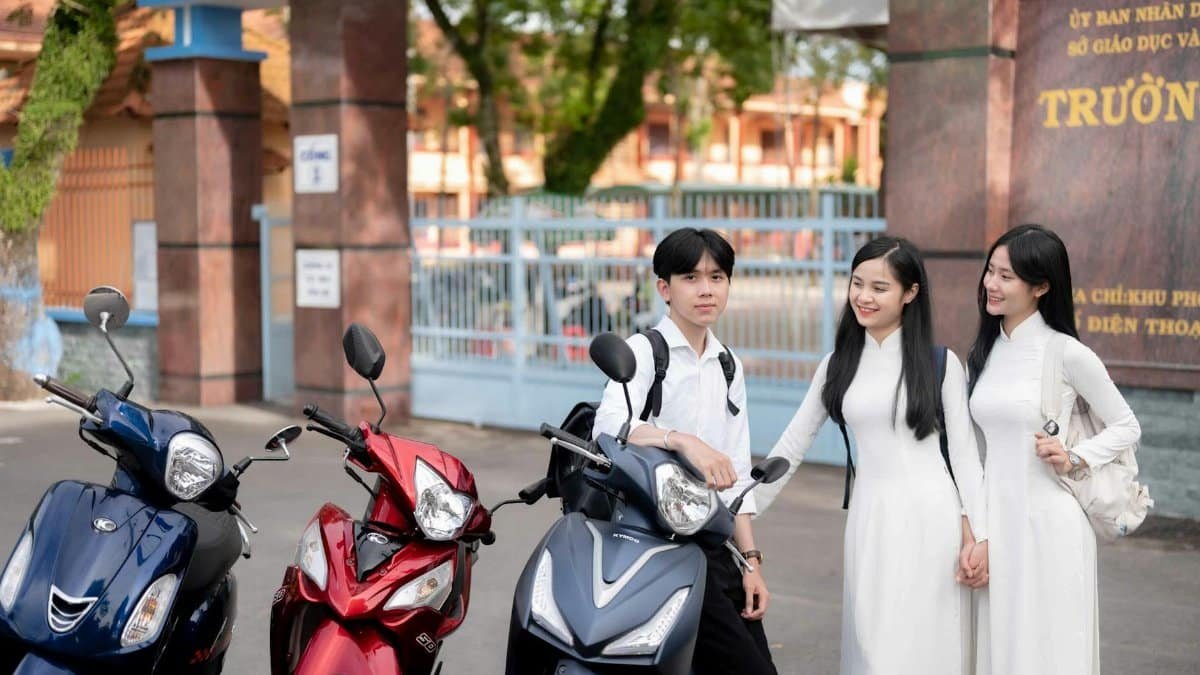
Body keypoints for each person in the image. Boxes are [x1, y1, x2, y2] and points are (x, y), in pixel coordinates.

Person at [753, 236, 988, 674]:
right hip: (870, 519)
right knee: (872, 644)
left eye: (879, 288)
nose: (863, 296)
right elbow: (792, 445)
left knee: (924, 645)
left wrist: (981, 535)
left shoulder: (941, 365)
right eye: (857, 283)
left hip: (932, 521)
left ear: (910, 293)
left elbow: (965, 458)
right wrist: (743, 512)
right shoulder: (838, 364)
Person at [592, 227, 776, 675]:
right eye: (691, 278)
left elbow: (737, 473)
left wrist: (751, 562)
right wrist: (681, 440)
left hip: (712, 539)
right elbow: (609, 426)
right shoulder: (644, 351)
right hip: (650, 537)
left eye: (717, 277)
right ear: (664, 288)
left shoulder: (728, 365)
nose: (706, 290)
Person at [967, 224, 1140, 675]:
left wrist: (1075, 456)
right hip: (996, 519)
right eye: (990, 271)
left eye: (1007, 276)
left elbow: (1127, 425)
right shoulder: (985, 352)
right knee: (1001, 645)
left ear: (1041, 286)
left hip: (1048, 524)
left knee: (1049, 649)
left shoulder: (1065, 353)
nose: (991, 284)